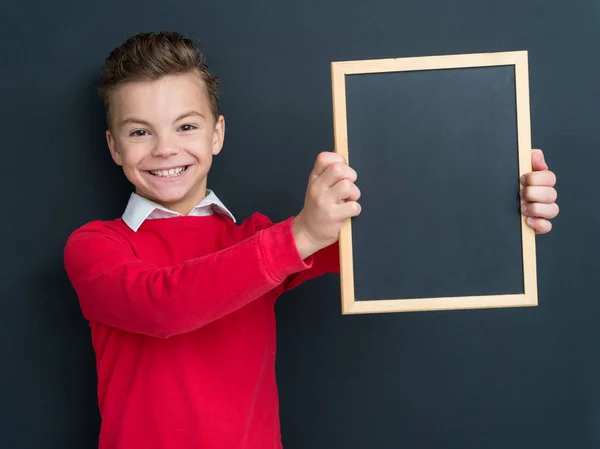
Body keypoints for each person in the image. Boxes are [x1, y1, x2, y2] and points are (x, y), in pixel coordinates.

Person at [63, 31, 559, 449]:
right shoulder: (96, 247)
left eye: (186, 126)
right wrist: (299, 234)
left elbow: (398, 236)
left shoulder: (257, 240)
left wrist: (506, 201)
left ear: (216, 135)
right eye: (139, 133)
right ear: (113, 146)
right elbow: (162, 307)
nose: (166, 148)